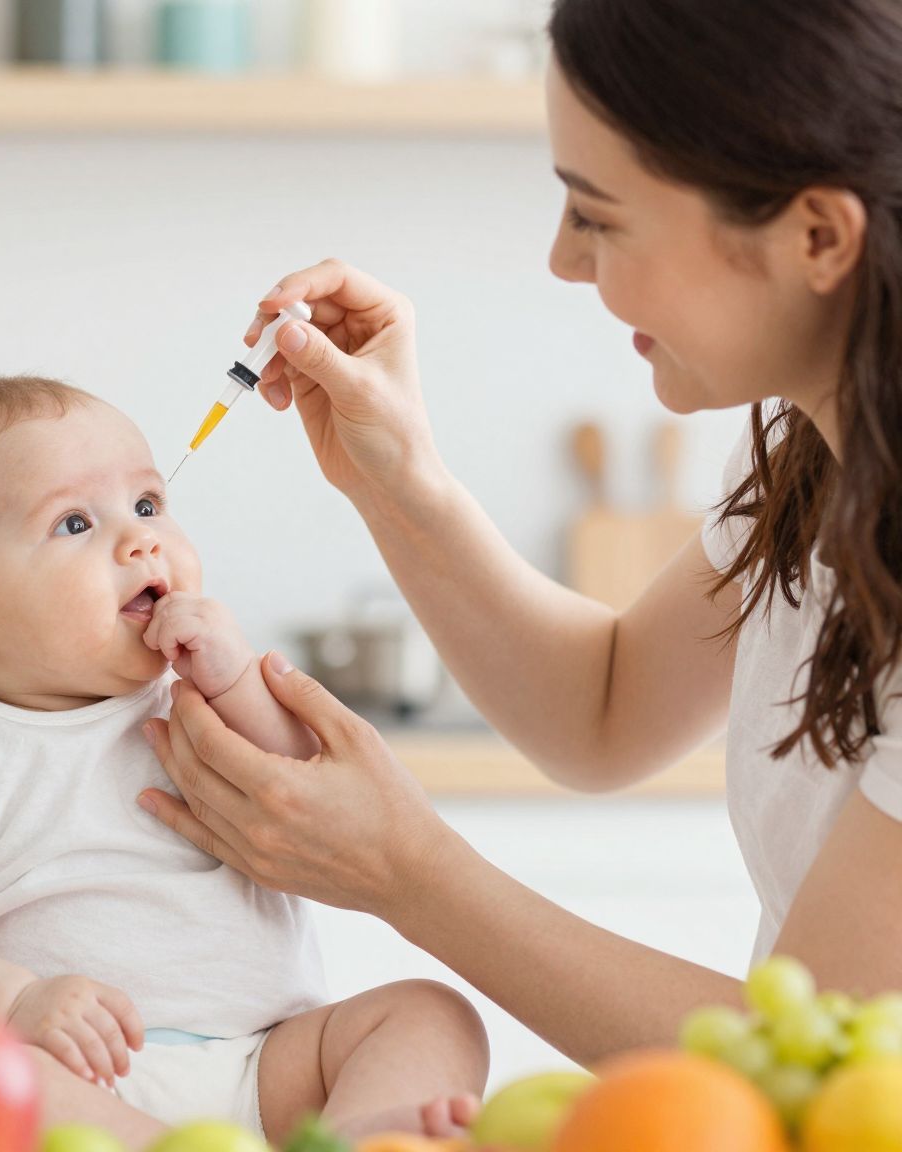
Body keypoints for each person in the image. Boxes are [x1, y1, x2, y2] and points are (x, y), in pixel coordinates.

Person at [138, 0, 902, 1072]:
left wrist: (404, 871)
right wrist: (396, 480)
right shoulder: (810, 447)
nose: (561, 261)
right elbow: (601, 710)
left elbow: (823, 1064)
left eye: (597, 216)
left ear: (815, 236)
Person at [0, 377, 488, 1145]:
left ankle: (359, 1138)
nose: (141, 540)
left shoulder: (205, 693)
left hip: (270, 1062)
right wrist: (13, 1003)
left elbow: (321, 793)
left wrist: (241, 683)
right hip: (78, 1077)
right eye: (75, 522)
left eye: (148, 505)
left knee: (431, 1013)